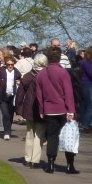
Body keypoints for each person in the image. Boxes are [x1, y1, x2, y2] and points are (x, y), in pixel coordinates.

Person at [35, 46, 77, 174]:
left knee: (52, 137)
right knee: (68, 136)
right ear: (59, 58)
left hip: (48, 109)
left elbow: (39, 95)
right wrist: (71, 110)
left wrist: (41, 110)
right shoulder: (63, 73)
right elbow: (68, 93)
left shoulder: (41, 74)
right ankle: (70, 165)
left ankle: (51, 164)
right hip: (63, 109)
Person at [15, 53, 47, 168]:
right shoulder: (46, 75)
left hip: (29, 108)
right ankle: (35, 160)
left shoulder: (28, 75)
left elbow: (20, 93)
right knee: (39, 135)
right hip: (42, 109)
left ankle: (28, 158)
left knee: (30, 134)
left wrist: (19, 108)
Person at [0, 55, 21, 141]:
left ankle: (8, 129)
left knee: (11, 115)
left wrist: (19, 82)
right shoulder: (2, 71)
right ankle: (6, 132)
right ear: (6, 64)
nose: (10, 66)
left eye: (12, 64)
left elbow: (20, 80)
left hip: (12, 96)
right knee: (5, 114)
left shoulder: (16, 72)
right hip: (3, 96)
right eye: (8, 64)